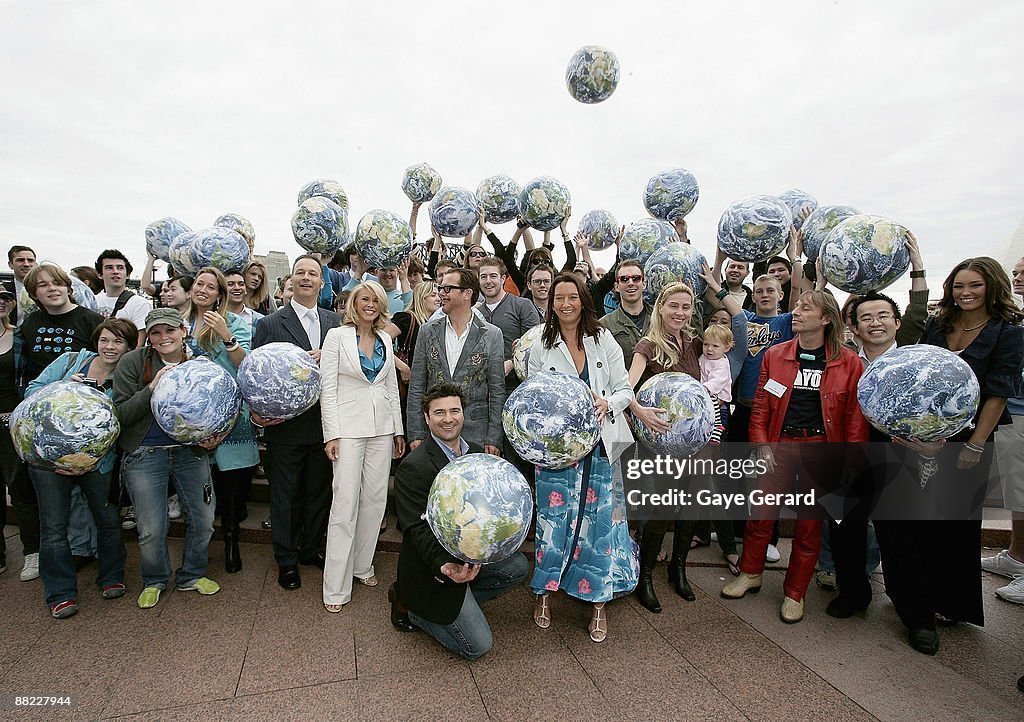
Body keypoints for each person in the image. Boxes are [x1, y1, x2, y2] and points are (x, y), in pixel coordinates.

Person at [876, 257, 1023, 654]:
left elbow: (998, 391)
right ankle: (915, 611)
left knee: (951, 529)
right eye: (959, 285)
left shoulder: (1008, 333)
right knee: (902, 523)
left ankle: (947, 603)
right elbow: (912, 373)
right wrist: (907, 430)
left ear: (992, 286)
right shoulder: (937, 324)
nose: (965, 292)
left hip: (967, 443)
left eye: (974, 285)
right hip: (915, 438)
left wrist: (974, 445)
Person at [721, 290, 868, 624]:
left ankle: (795, 592)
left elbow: (855, 420)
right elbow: (760, 404)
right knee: (760, 515)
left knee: (809, 525)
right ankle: (750, 573)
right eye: (797, 307)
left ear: (826, 319)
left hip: (821, 450)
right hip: (779, 446)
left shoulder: (850, 363)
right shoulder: (776, 355)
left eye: (806, 308)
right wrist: (760, 444)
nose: (796, 312)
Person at [527, 273, 635, 642]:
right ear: (551, 303)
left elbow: (624, 388)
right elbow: (533, 400)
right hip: (556, 453)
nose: (566, 303)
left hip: (601, 448)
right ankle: (544, 594)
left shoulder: (603, 339)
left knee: (598, 526)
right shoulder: (541, 346)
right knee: (553, 524)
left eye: (573, 296)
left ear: (583, 300)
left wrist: (610, 402)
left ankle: (597, 603)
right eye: (559, 297)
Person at [391, 383, 529, 658]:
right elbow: (415, 528)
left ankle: (464, 601)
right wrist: (444, 565)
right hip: (432, 568)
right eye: (439, 413)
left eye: (455, 410)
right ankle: (413, 608)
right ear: (427, 418)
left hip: (469, 554)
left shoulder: (476, 453)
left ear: (463, 414)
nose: (448, 418)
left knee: (517, 566)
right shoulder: (413, 466)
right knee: (478, 646)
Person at [24, 318, 136, 618]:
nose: (110, 347)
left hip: (97, 462)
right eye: (105, 340)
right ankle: (60, 593)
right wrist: (62, 388)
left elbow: (121, 422)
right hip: (49, 460)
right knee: (54, 528)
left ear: (128, 347)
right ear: (96, 341)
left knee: (108, 519)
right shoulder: (70, 361)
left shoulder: (125, 378)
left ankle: (112, 576)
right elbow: (31, 391)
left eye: (118, 342)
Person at [112, 308, 222, 608]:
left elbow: (219, 407)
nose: (164, 338)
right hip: (145, 454)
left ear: (183, 330)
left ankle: (191, 574)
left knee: (204, 520)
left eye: (170, 331)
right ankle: (155, 579)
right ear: (148, 336)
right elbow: (119, 413)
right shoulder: (132, 362)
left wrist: (215, 436)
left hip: (191, 454)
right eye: (156, 332)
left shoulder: (199, 364)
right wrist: (151, 388)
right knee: (151, 527)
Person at [252, 255, 341, 590]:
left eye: (313, 274)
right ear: (291, 280)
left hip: (325, 424)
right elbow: (257, 374)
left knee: (319, 493)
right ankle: (286, 560)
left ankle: (309, 549)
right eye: (300, 272)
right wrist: (258, 414)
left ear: (322, 283)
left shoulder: (336, 322)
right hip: (286, 427)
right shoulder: (270, 324)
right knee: (285, 496)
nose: (306, 278)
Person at [319, 281, 405, 612]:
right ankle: (335, 588)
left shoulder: (385, 338)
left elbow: (389, 388)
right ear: (354, 303)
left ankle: (362, 565)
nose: (369, 304)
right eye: (364, 299)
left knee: (374, 501)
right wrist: (332, 435)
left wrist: (397, 430)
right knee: (344, 505)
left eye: (375, 300)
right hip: (348, 431)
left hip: (382, 430)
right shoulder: (336, 338)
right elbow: (328, 390)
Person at [183, 267, 259, 573]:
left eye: (210, 286)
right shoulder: (179, 322)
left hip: (230, 415)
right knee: (199, 484)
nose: (203, 289)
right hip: (189, 417)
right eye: (199, 284)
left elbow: (246, 365)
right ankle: (197, 551)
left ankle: (231, 541)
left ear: (219, 295)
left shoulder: (234, 322)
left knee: (233, 487)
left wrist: (227, 337)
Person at [406, 268, 505, 454]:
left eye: (447, 289)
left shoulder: (492, 334)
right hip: (433, 434)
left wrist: (494, 437)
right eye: (440, 288)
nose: (441, 293)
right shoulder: (427, 331)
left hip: (476, 433)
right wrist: (416, 433)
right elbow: (417, 385)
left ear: (467, 293)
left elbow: (497, 391)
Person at [982, 255, 1024, 603]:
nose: (1018, 277)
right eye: (1016, 272)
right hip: (1015, 413)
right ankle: (1016, 556)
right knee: (1017, 492)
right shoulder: (1015, 324)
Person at [0, 281, 36, 579]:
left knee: (20, 489)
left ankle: (32, 552)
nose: (1, 301)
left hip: (12, 420)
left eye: (5, 297)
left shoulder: (18, 336)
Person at [19, 263, 104, 387]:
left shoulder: (93, 321)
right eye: (43, 285)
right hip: (38, 395)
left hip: (78, 395)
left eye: (58, 283)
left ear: (68, 289)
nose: (52, 288)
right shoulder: (31, 321)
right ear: (33, 294)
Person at [600, 259, 653, 363]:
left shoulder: (661, 318)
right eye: (624, 279)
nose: (630, 283)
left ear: (644, 284)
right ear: (617, 287)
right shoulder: (604, 326)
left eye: (636, 278)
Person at [93, 249, 150, 344]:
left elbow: (138, 344)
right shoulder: (93, 300)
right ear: (99, 274)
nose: (115, 271)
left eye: (120, 268)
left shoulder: (139, 304)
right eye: (109, 267)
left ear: (128, 275)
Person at [224, 269, 264, 337]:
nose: (237, 288)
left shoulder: (260, 320)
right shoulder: (211, 317)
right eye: (230, 284)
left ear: (245, 290)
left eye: (241, 284)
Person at [8, 245, 37, 327]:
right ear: (10, 264)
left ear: (36, 264)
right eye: (20, 260)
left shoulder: (48, 289)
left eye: (30, 260)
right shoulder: (3, 290)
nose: (26, 264)